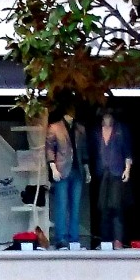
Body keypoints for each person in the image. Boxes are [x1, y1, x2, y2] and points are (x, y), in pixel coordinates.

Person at [45, 101, 90, 248]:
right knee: (61, 205)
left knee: (75, 206)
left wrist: (87, 170)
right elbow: (50, 148)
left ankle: (74, 238)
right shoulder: (55, 127)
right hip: (62, 170)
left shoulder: (80, 129)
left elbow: (83, 151)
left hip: (77, 170)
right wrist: (53, 168)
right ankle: (61, 238)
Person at [92, 109, 132, 248]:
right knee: (103, 208)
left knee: (116, 206)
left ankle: (118, 240)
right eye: (105, 117)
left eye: (109, 117)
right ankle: (105, 241)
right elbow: (93, 151)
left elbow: (127, 150)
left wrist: (127, 169)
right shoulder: (96, 131)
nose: (107, 120)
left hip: (116, 171)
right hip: (103, 172)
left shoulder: (121, 129)